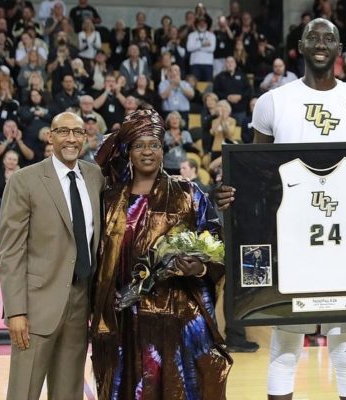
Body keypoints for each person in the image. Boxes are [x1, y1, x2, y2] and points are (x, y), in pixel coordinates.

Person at [215, 18, 346, 400]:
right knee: (285, 346)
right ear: (299, 45)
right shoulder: (274, 101)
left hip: (343, 239)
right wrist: (231, 193)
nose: (320, 43)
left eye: (329, 38)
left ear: (339, 49)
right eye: (313, 36)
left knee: (345, 349)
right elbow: (256, 172)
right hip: (291, 235)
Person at [90, 108, 232, 399]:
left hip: (178, 315)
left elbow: (217, 244)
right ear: (128, 152)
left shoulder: (188, 193)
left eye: (154, 145)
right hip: (125, 317)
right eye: (139, 145)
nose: (147, 152)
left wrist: (199, 267)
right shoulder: (110, 199)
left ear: (163, 150)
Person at [0, 111, 105, 399]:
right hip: (35, 307)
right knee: (24, 391)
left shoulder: (95, 176)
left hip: (81, 301)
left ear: (85, 137)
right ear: (50, 136)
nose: (71, 138)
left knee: (69, 392)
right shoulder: (24, 180)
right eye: (63, 131)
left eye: (77, 132)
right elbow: (11, 252)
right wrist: (16, 311)